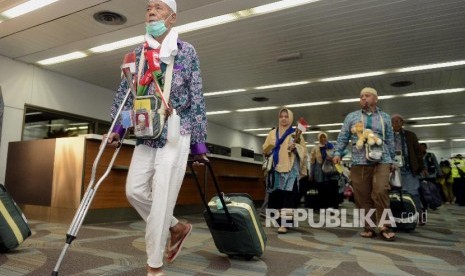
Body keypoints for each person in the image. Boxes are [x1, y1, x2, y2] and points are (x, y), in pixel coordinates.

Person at [107, 1, 208, 275]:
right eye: (148, 7)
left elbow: (196, 96)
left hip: (176, 130)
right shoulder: (138, 53)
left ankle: (154, 267)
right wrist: (117, 129)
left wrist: (199, 144)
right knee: (134, 190)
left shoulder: (186, 52)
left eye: (159, 8)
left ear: (172, 18)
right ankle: (176, 227)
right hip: (145, 131)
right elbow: (125, 94)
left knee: (162, 198)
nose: (151, 11)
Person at [333, 87, 396, 241]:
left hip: (382, 159)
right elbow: (343, 137)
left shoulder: (385, 117)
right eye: (361, 96)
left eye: (367, 96)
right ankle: (369, 227)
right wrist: (337, 153)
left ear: (375, 99)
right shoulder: (352, 117)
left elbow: (389, 140)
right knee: (362, 196)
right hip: (359, 160)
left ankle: (384, 225)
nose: (363, 98)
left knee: (380, 191)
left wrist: (392, 159)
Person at [262, 108, 307, 234]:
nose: (283, 119)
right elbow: (265, 149)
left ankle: (285, 224)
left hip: (290, 168)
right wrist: (268, 151)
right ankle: (278, 220)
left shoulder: (296, 133)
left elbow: (303, 151)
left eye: (286, 116)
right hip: (275, 168)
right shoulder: (272, 133)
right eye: (281, 116)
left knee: (288, 197)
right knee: (275, 196)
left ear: (290, 118)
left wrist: (295, 148)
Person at [391, 114, 426, 224]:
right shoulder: (387, 136)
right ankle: (400, 216)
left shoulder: (410, 135)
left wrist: (422, 167)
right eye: (394, 121)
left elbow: (417, 152)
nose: (396, 123)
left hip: (408, 169)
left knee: (413, 193)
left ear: (402, 123)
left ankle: (420, 215)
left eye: (398, 121)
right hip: (393, 171)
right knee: (395, 194)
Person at [309, 132, 340, 210]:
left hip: (330, 171)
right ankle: (322, 206)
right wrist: (311, 174)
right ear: (318, 139)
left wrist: (340, 170)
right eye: (321, 138)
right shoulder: (315, 148)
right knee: (321, 189)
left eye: (324, 137)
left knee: (330, 189)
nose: (323, 139)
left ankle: (331, 205)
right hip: (319, 172)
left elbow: (338, 159)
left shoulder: (332, 146)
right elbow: (312, 162)